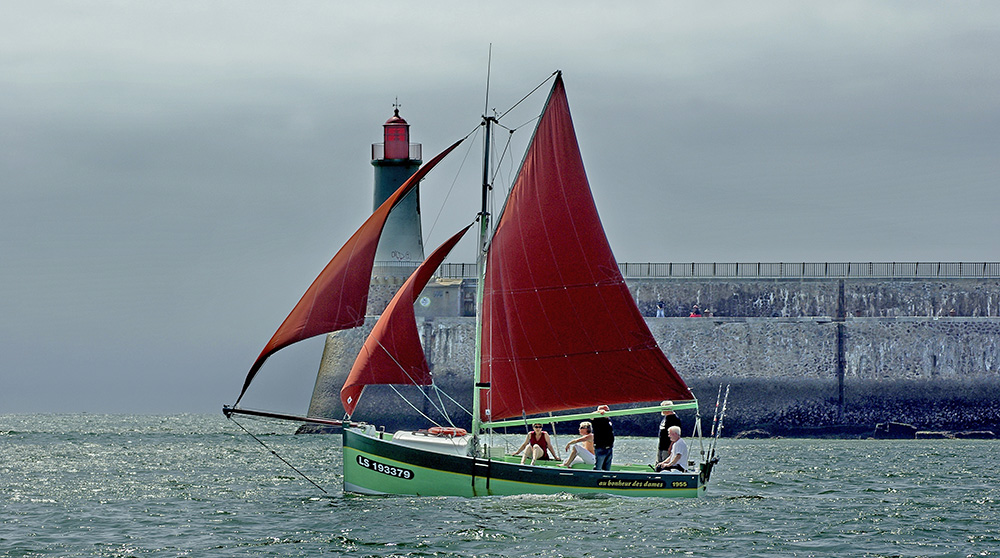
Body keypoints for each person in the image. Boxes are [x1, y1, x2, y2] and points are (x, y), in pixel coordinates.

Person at [591, 405, 615, 470]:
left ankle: (605, 479)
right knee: (598, 467)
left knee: (607, 469)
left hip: (609, 448)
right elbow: (591, 416)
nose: (608, 412)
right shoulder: (597, 419)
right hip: (601, 448)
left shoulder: (608, 420)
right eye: (606, 411)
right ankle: (595, 478)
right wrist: (599, 412)